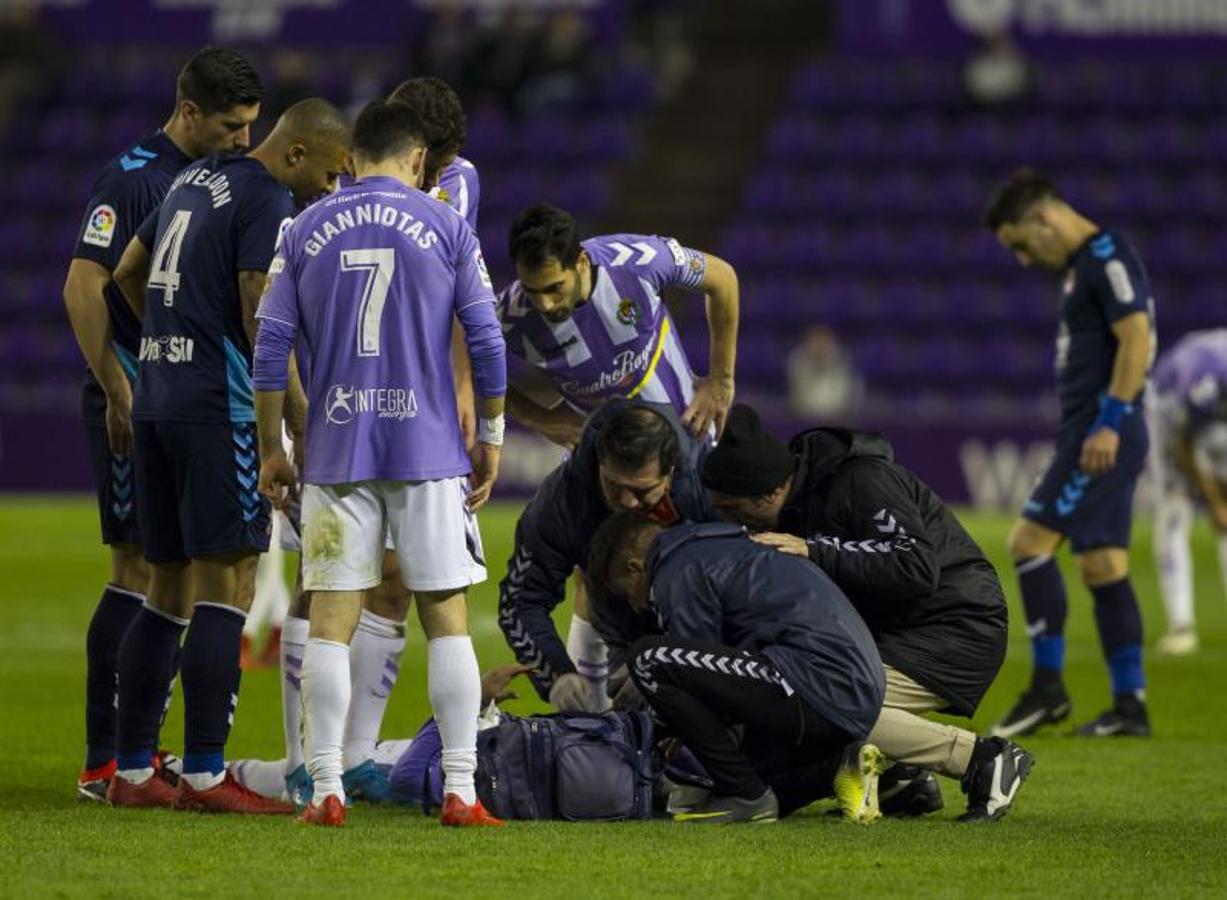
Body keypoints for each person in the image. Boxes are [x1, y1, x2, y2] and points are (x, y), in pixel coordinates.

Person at [253, 99, 507, 828]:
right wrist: (489, 435)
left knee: (331, 616)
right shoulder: (447, 225)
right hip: (427, 453)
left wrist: (276, 446)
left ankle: (325, 787)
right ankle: (460, 791)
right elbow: (486, 343)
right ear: (419, 161)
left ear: (351, 157)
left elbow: (270, 350)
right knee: (447, 620)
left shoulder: (301, 229)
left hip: (335, 455)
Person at [105, 98, 352, 814]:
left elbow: (124, 271)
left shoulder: (194, 177)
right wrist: (292, 418)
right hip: (218, 409)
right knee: (233, 585)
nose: (329, 191)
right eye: (331, 174)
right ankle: (209, 775)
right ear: (298, 153)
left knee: (166, 588)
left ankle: (131, 770)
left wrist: (163, 341)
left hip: (156, 395)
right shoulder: (268, 198)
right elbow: (259, 310)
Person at [63, 46, 263, 803]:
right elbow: (83, 286)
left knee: (172, 572)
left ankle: (137, 756)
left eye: (252, 125)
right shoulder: (134, 175)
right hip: (133, 398)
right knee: (140, 569)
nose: (243, 139)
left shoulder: (208, 180)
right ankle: (104, 761)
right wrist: (118, 386)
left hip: (174, 397)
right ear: (187, 113)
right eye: (230, 124)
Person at [700, 404, 1033, 821]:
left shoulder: (861, 480)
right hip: (895, 630)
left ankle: (982, 759)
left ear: (770, 492)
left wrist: (815, 550)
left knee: (820, 697)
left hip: (958, 626)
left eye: (733, 510)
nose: (733, 522)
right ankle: (901, 778)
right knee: (789, 702)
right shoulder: (801, 503)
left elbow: (915, 565)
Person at [984, 168, 1155, 738]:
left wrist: (1109, 422)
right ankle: (1129, 707)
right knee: (1102, 564)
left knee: (1029, 542)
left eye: (1019, 246)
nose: (1023, 260)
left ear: (1042, 218)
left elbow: (1137, 336)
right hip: (1093, 430)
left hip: (1100, 433)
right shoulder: (1087, 264)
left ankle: (1047, 689)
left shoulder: (1106, 256)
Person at [588, 514, 886, 825]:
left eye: (626, 594)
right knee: (741, 774)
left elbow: (697, 682)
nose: (636, 607)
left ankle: (748, 797)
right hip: (850, 694)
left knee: (648, 658)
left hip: (813, 680)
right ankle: (842, 766)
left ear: (635, 566)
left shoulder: (677, 569)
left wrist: (659, 722)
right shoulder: (725, 546)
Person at [500, 400, 710, 711]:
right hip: (616, 615)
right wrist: (555, 675)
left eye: (641, 491)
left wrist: (666, 664)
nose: (626, 502)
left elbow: (726, 598)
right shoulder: (562, 502)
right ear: (600, 462)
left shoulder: (705, 489)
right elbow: (522, 600)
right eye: (614, 486)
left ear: (670, 475)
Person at [499, 203, 740, 448]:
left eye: (555, 288)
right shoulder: (511, 313)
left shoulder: (639, 261)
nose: (545, 304)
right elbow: (465, 366)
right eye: (532, 290)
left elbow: (722, 278)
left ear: (581, 262)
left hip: (688, 433)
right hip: (602, 464)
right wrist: (538, 418)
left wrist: (722, 379)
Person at [1147, 330, 1227, 655]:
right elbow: (1183, 443)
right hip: (1170, 406)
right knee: (1174, 509)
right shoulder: (1203, 380)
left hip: (1213, 415)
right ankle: (1181, 626)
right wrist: (1214, 501)